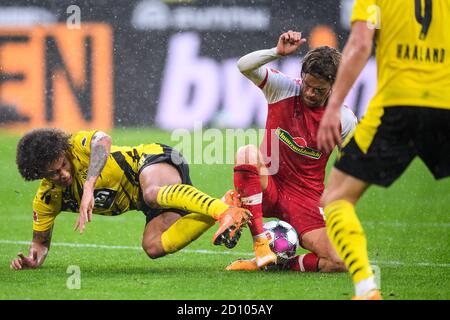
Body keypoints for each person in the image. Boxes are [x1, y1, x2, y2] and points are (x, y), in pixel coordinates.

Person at [317, 0, 450, 299]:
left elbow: (361, 43)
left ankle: (366, 288)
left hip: (398, 107)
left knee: (336, 198)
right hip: (446, 103)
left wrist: (334, 105)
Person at [10, 129, 251, 270]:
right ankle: (226, 202)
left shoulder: (75, 145)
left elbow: (102, 139)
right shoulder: (47, 198)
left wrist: (88, 186)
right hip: (146, 201)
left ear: (64, 153)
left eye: (63, 165)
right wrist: (34, 259)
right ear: (39, 175)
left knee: (151, 192)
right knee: (153, 247)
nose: (62, 174)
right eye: (53, 173)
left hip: (152, 159)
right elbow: (40, 244)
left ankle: (225, 212)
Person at [225, 30, 358, 273]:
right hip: (268, 186)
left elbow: (352, 168)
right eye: (307, 84)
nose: (309, 93)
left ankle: (277, 264)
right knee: (247, 153)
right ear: (302, 77)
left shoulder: (344, 119)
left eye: (318, 90)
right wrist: (277, 52)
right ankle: (261, 243)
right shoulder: (282, 89)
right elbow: (244, 65)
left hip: (306, 198)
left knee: (340, 261)